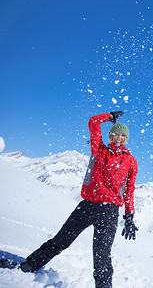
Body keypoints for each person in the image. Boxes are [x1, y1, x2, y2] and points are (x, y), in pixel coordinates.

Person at [1, 111, 138, 288]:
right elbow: (93, 122)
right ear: (110, 135)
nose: (119, 137)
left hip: (109, 212)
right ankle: (28, 266)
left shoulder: (130, 161)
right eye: (116, 133)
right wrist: (109, 116)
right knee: (60, 241)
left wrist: (129, 215)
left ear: (126, 138)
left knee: (101, 255)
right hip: (87, 206)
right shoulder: (98, 149)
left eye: (122, 135)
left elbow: (129, 190)